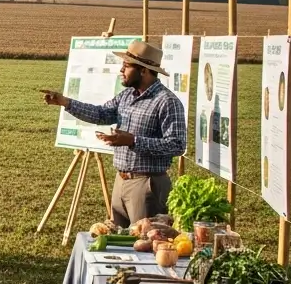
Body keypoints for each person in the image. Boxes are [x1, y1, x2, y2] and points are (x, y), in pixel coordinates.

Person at [42, 40, 187, 228]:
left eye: (126, 66)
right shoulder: (127, 95)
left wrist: (133, 141)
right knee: (119, 240)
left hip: (147, 185)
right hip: (121, 181)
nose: (121, 70)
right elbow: (101, 113)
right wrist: (65, 102)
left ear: (143, 70)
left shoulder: (167, 102)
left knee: (145, 243)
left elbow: (177, 145)